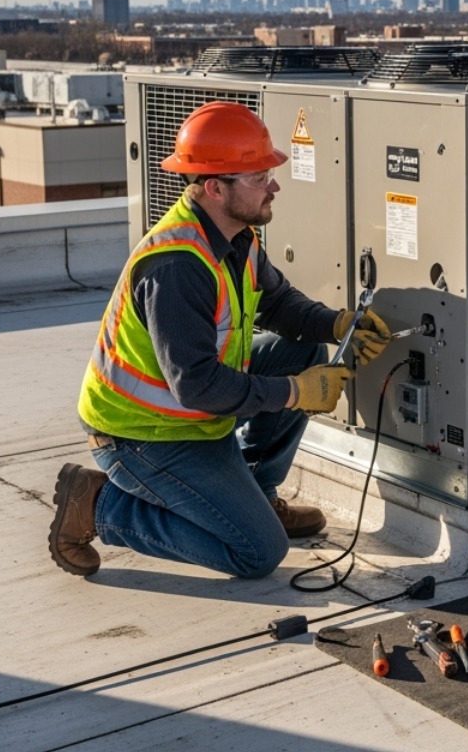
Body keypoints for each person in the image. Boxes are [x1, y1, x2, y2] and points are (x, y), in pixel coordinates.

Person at [48, 101, 393, 578]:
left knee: (302, 350)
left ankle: (254, 492)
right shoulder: (178, 266)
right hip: (142, 435)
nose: (274, 185)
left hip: (194, 421)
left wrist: (336, 324)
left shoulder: (236, 236)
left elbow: (278, 304)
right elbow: (198, 386)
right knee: (257, 553)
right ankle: (99, 505)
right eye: (258, 177)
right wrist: (297, 391)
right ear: (215, 187)